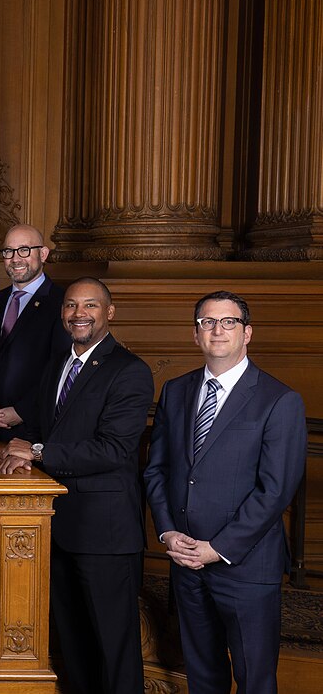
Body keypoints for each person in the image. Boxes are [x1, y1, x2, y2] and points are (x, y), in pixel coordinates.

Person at [144, 291, 306, 694]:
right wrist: (168, 533)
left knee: (254, 677)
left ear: (247, 333)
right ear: (195, 334)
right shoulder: (176, 391)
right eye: (207, 322)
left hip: (245, 565)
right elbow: (157, 469)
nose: (217, 330)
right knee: (203, 675)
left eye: (228, 322)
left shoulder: (279, 400)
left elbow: (275, 490)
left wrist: (218, 548)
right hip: (185, 558)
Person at [0, 278, 154, 694]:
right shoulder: (58, 364)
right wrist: (21, 456)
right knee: (75, 645)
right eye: (70, 306)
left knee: (114, 647)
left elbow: (113, 450)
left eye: (90, 305)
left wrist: (35, 451)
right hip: (60, 526)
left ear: (109, 312)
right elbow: (45, 427)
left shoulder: (129, 370)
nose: (78, 314)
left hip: (105, 532)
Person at [0, 224, 70, 441]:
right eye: (8, 251)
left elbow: (61, 368)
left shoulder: (63, 302)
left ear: (43, 254)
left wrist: (22, 411)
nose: (15, 258)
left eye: (24, 250)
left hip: (33, 429)